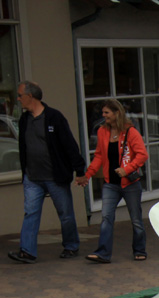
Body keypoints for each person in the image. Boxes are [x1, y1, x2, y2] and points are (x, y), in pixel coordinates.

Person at [8, 81, 86, 264]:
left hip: (55, 176)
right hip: (32, 177)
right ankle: (27, 251)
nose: (18, 99)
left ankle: (71, 245)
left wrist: (79, 170)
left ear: (31, 96)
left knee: (65, 214)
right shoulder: (24, 119)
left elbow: (69, 145)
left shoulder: (54, 117)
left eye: (20, 95)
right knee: (30, 213)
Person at [76, 98, 149, 263]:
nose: (103, 115)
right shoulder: (102, 131)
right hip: (110, 184)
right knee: (106, 217)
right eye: (103, 112)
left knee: (136, 219)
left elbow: (142, 155)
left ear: (117, 113)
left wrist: (127, 169)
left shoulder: (130, 132)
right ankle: (103, 253)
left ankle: (139, 249)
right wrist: (87, 175)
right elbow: (99, 156)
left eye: (106, 112)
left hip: (130, 183)